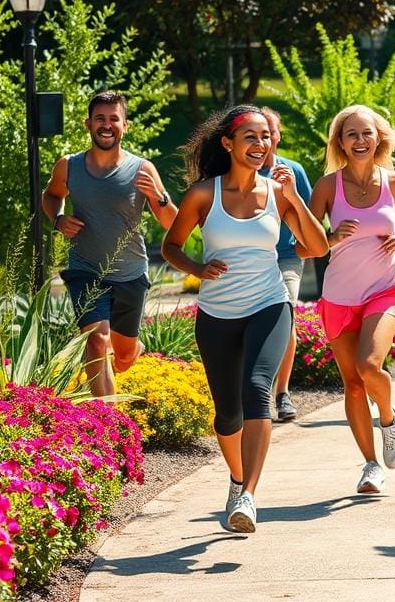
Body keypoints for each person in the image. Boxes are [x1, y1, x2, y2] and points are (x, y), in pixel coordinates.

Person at [161, 105, 327, 532]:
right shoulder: (203, 194)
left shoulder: (276, 192)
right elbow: (171, 246)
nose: (260, 145)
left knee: (258, 390)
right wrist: (197, 269)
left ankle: (249, 496)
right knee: (226, 416)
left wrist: (293, 199)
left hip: (269, 304)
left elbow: (317, 245)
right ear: (228, 144)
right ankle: (237, 479)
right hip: (217, 313)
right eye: (250, 137)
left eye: (265, 138)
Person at [309, 104, 395, 495]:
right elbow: (304, 246)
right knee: (352, 384)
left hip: (385, 288)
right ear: (341, 143)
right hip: (339, 295)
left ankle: (389, 417)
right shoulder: (328, 186)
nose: (360, 140)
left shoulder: (394, 182)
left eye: (367, 133)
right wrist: (332, 238)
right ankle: (370, 466)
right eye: (352, 134)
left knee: (369, 365)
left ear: (379, 137)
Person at [42, 91, 178, 398]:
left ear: (125, 125)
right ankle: (109, 426)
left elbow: (173, 223)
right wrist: (59, 219)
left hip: (130, 274)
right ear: (87, 124)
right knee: (96, 341)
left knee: (124, 357)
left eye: (113, 119)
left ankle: (132, 348)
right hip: (85, 269)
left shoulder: (142, 169)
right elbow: (51, 196)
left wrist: (160, 196)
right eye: (100, 119)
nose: (107, 125)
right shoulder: (69, 166)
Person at [259, 107, 313, 422]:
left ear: (278, 136)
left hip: (285, 257)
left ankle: (282, 393)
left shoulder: (292, 171)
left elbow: (309, 218)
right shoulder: (239, 171)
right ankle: (255, 391)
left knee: (285, 315)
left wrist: (303, 247)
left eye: (270, 131)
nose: (264, 139)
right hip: (251, 257)